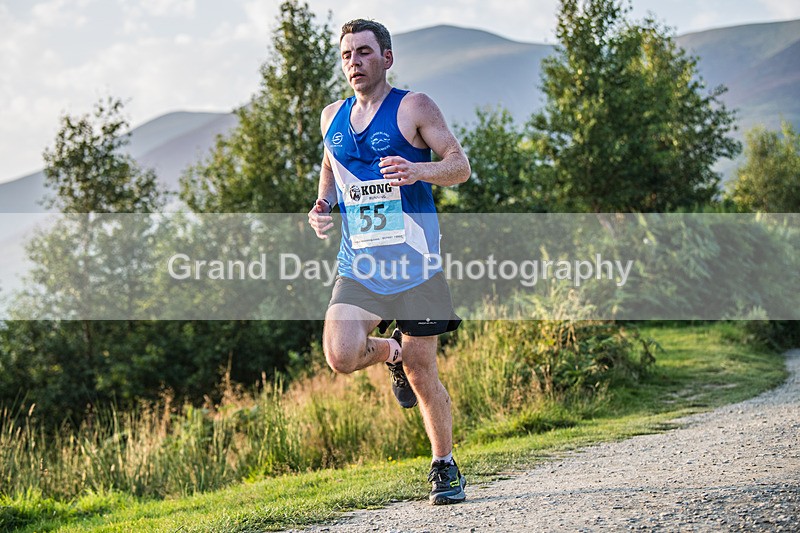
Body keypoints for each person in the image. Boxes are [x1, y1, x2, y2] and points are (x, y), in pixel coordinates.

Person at [307, 19, 471, 505]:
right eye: (347, 55)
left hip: (417, 266)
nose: (354, 62)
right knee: (340, 355)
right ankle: (390, 352)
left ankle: (444, 464)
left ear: (387, 57)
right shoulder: (331, 117)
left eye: (363, 52)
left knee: (423, 372)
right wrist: (324, 204)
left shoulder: (414, 107)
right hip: (359, 265)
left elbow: (459, 165)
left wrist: (416, 169)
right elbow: (331, 164)